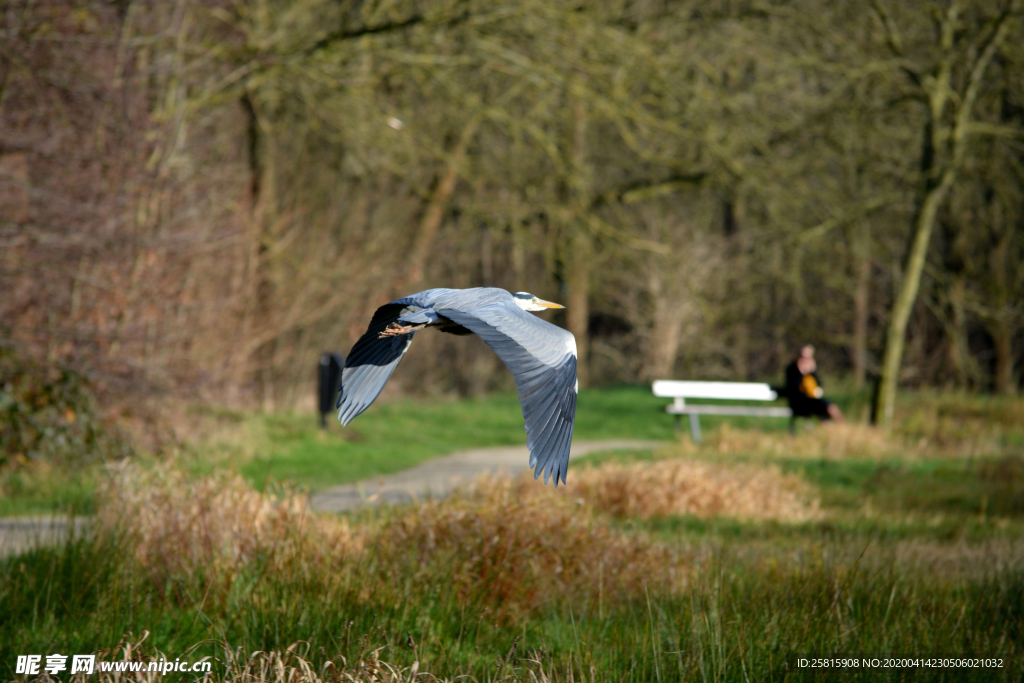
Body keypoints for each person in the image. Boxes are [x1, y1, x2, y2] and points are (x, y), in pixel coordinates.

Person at [784, 345, 843, 422]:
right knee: (822, 407)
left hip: (813, 400)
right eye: (804, 357)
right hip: (799, 402)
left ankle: (842, 428)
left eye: (809, 357)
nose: (806, 360)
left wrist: (812, 371)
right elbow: (793, 388)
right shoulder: (792, 369)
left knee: (830, 406)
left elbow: (819, 385)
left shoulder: (811, 371)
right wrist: (802, 372)